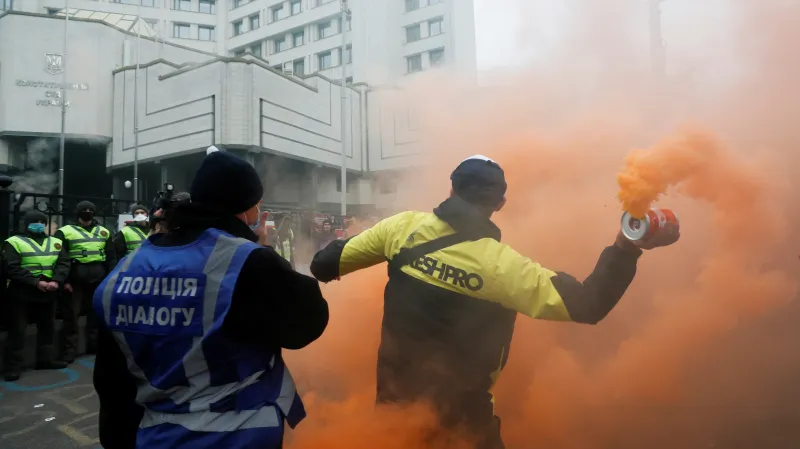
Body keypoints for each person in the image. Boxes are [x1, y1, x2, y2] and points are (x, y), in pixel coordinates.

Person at [310, 155, 680, 449]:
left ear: (451, 189)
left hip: (393, 410)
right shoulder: (503, 267)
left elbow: (323, 265)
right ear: (500, 203)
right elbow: (589, 303)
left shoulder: (401, 228)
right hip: (465, 427)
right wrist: (627, 246)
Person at [92, 150, 330, 449]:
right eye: (257, 206)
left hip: (156, 436)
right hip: (239, 436)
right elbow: (308, 321)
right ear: (245, 211)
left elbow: (112, 382)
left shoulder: (123, 271)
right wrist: (260, 249)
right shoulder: (246, 262)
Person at [2, 211, 71, 381]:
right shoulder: (14, 242)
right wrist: (35, 282)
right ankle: (13, 367)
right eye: (35, 221)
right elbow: (11, 268)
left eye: (42, 221)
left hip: (49, 290)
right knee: (17, 330)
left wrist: (56, 281)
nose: (39, 224)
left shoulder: (55, 242)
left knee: (47, 327)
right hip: (22, 292)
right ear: (26, 224)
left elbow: (64, 263)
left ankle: (45, 360)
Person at [55, 201, 117, 361]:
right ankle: (69, 351)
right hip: (75, 279)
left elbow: (111, 257)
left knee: (96, 314)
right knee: (71, 317)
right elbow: (59, 258)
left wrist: (110, 278)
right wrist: (65, 281)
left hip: (98, 278)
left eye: (90, 210)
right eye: (84, 210)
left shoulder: (104, 232)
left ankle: (94, 346)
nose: (88, 212)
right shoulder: (64, 232)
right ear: (77, 213)